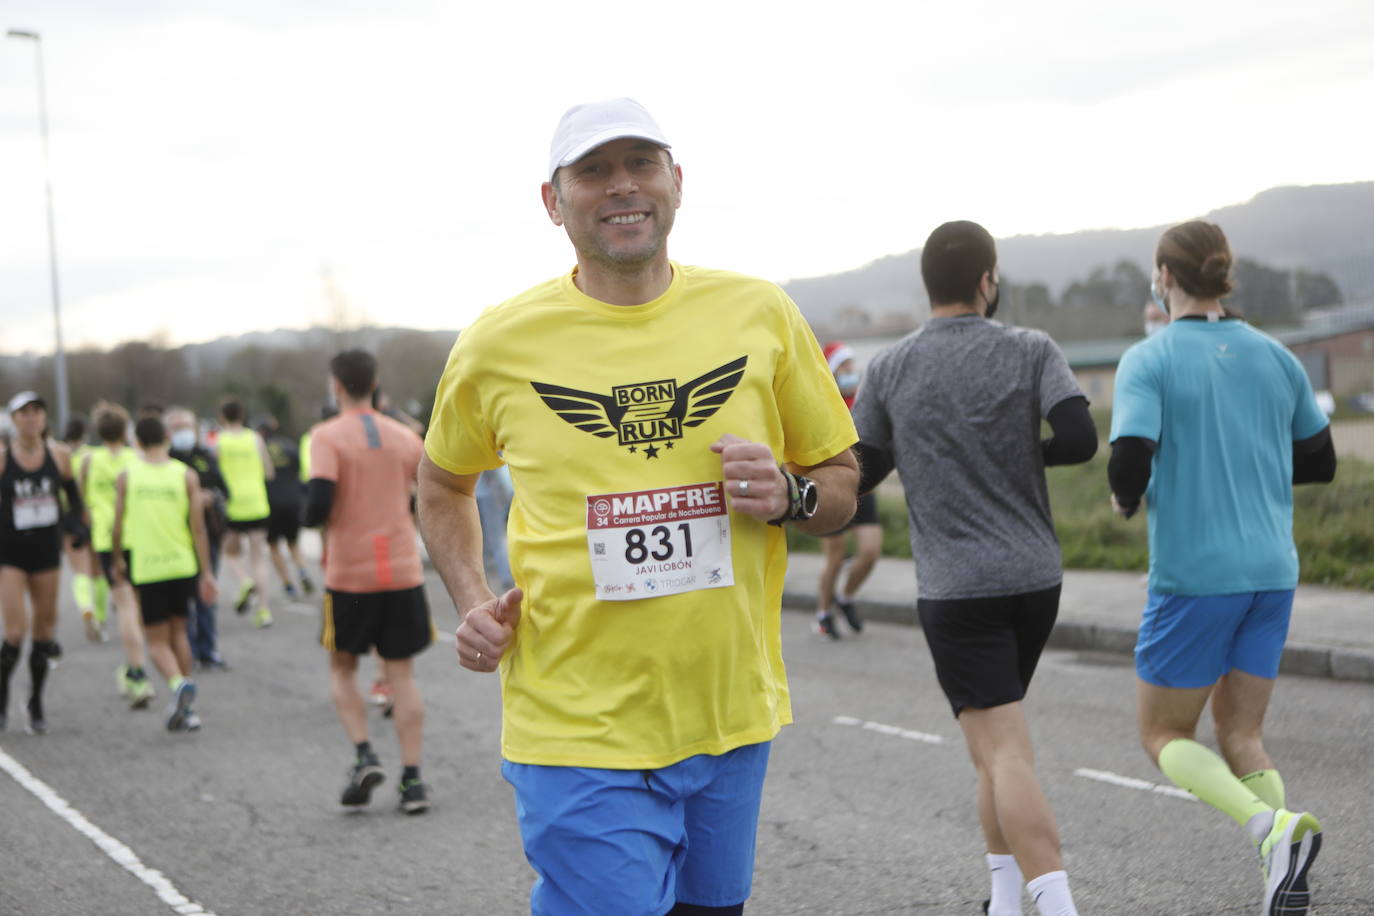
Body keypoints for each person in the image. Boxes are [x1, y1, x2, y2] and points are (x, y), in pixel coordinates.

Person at [417, 98, 859, 915]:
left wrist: (791, 495)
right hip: (575, 725)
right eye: (593, 170)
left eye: (641, 164)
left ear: (677, 183)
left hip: (729, 718)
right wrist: (474, 601)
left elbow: (839, 478)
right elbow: (443, 482)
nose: (622, 186)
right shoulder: (498, 342)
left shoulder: (758, 312)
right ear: (553, 201)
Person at [851, 221, 1096, 916]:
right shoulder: (1030, 348)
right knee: (992, 748)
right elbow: (1079, 439)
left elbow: (866, 466)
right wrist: (1016, 454)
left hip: (957, 589)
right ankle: (1002, 898)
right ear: (988, 280)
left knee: (1004, 750)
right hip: (1035, 578)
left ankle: (1057, 906)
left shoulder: (890, 368)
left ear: (929, 285)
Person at [1108, 220, 1335, 916]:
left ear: (1165, 278)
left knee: (1163, 734)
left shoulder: (1150, 359)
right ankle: (1280, 860)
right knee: (1242, 734)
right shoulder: (1277, 356)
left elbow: (1128, 461)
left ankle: (1267, 827)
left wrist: (1126, 498)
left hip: (1197, 575)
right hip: (1273, 569)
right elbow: (1320, 461)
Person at [305, 350, 432, 814]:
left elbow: (318, 503)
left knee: (342, 669)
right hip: (401, 570)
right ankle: (413, 781)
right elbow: (430, 496)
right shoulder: (406, 436)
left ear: (335, 385)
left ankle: (363, 755)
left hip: (351, 574)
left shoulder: (326, 437)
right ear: (375, 383)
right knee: (401, 673)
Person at [112, 416, 217, 731]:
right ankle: (186, 709)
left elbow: (118, 524)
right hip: (182, 563)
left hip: (149, 566)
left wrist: (117, 557)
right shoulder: (186, 475)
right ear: (167, 438)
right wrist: (206, 572)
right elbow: (198, 527)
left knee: (156, 641)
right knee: (179, 634)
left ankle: (176, 684)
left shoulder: (127, 476)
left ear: (138, 442)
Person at [0, 391, 86, 733]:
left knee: (45, 633)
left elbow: (75, 499)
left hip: (47, 553)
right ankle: (2, 698)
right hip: (11, 554)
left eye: (37, 412)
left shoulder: (61, 456)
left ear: (45, 419)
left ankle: (35, 702)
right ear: (14, 419)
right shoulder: (4, 458)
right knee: (15, 632)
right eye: (24, 413)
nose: (32, 418)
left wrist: (77, 525)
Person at [81, 402, 155, 708]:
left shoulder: (88, 460)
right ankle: (136, 668)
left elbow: (84, 504)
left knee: (125, 607)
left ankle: (136, 673)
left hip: (106, 540)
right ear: (126, 430)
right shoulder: (136, 458)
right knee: (134, 607)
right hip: (135, 538)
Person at [813, 341, 881, 639]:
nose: (851, 372)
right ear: (831, 371)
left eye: (852, 365)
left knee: (870, 551)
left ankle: (846, 597)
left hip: (863, 489)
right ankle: (824, 612)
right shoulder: (819, 404)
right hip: (831, 492)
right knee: (835, 557)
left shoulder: (864, 401)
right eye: (844, 367)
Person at [167, 407, 230, 670]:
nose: (183, 432)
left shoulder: (206, 456)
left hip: (207, 536)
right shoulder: (165, 462)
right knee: (181, 599)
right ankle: (186, 650)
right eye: (177, 427)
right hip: (175, 538)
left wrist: (211, 497)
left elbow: (225, 491)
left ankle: (207, 649)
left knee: (205, 591)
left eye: (186, 426)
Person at [216, 397, 275, 629]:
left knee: (230, 553)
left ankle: (244, 581)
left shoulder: (220, 441)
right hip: (257, 502)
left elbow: (215, 472)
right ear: (242, 415)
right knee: (258, 557)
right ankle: (264, 610)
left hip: (233, 504)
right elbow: (269, 471)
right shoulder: (255, 438)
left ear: (222, 417)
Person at [257, 416, 315, 601]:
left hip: (270, 502)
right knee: (293, 542)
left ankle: (288, 585)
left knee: (273, 545)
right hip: (293, 499)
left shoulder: (260, 449)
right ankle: (302, 571)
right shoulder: (290, 446)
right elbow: (301, 469)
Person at [60, 416, 102, 642]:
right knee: (99, 571)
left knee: (80, 570)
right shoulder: (93, 455)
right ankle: (101, 618)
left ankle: (86, 607)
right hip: (94, 515)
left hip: (69, 518)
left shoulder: (59, 455)